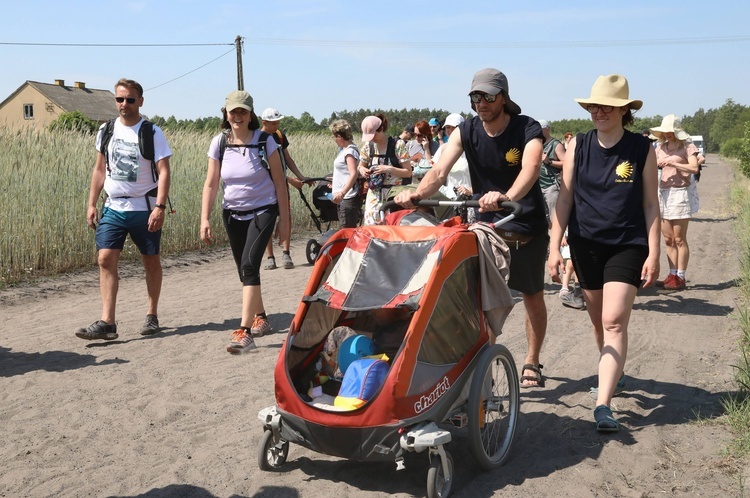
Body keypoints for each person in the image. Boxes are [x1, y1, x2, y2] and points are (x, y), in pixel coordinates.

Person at [394, 68, 549, 389]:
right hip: (486, 227)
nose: (481, 103)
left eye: (488, 97)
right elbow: (439, 170)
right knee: (478, 301)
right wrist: (417, 195)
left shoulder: (525, 127)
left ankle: (532, 360)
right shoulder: (465, 131)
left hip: (524, 223)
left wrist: (506, 197)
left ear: (503, 98)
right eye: (475, 97)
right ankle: (484, 370)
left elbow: (531, 167)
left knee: (532, 295)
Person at [548, 74, 660, 433]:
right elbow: (565, 199)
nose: (599, 111)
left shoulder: (642, 149)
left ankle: (603, 405)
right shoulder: (578, 147)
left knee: (613, 321)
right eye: (594, 105)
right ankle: (614, 371)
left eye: (607, 106)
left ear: (624, 110)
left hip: (628, 244)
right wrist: (555, 247)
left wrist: (654, 252)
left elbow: (649, 205)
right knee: (598, 321)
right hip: (585, 244)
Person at [75, 78, 172, 341]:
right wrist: (92, 203)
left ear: (140, 101)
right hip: (114, 207)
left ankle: (152, 315)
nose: (124, 104)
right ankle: (108, 323)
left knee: (150, 261)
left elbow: (164, 172)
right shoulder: (106, 130)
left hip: (144, 208)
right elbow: (99, 169)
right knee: (105, 259)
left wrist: (160, 207)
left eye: (130, 99)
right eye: (120, 99)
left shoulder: (153, 133)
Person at [200, 91, 290, 354]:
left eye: (243, 111)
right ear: (225, 114)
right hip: (232, 213)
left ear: (251, 114)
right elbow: (211, 183)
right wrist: (204, 217)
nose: (237, 116)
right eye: (233, 111)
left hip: (263, 211)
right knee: (244, 269)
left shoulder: (265, 142)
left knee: (250, 265)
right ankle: (260, 315)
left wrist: (284, 222)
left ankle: (245, 332)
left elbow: (280, 184)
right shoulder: (219, 143)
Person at [650, 114, 700, 291]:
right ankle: (671, 274)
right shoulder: (660, 147)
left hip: (680, 193)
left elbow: (694, 168)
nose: (668, 134)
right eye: (666, 131)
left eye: (671, 131)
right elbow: (651, 165)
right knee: (668, 239)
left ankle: (680, 276)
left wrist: (673, 163)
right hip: (663, 193)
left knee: (679, 238)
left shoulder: (688, 147)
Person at [260, 107, 307, 270]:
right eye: (273, 123)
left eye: (278, 121)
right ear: (264, 122)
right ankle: (270, 257)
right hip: (265, 186)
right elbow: (265, 167)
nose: (277, 125)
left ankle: (286, 253)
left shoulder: (279, 136)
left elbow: (287, 159)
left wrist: (301, 177)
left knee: (286, 215)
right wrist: (291, 180)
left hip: (282, 184)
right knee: (267, 220)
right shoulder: (258, 139)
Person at [357, 114, 412, 225]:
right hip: (374, 194)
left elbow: (408, 173)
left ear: (381, 129)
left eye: (373, 135)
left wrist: (388, 169)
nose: (372, 138)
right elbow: (360, 166)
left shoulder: (398, 145)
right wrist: (362, 170)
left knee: (393, 226)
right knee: (371, 227)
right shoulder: (369, 146)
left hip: (394, 194)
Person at [329, 119, 361, 228]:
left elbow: (353, 173)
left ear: (339, 136)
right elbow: (345, 173)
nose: (333, 139)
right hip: (343, 198)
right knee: (345, 229)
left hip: (347, 198)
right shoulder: (344, 150)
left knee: (347, 231)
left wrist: (342, 193)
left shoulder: (349, 151)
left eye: (334, 137)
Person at [538, 119, 566, 227]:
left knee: (554, 216)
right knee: (543, 217)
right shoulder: (538, 144)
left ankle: (557, 240)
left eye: (540, 130)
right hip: (538, 186)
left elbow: (565, 163)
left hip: (551, 186)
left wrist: (549, 161)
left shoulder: (556, 144)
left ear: (547, 129)